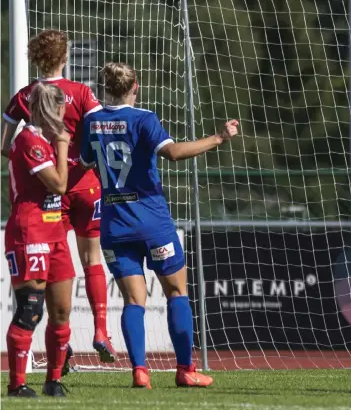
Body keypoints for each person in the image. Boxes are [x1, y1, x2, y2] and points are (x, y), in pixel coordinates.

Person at [80, 62, 239, 389]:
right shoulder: (144, 119)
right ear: (135, 86)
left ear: (104, 87)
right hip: (152, 222)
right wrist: (219, 138)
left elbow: (83, 162)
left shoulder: (92, 122)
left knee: (133, 301)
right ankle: (185, 370)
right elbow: (175, 153)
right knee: (177, 292)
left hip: (114, 225)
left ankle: (140, 371)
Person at [1, 30, 115, 363]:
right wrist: (85, 160)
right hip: (85, 184)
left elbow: (4, 144)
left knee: (54, 269)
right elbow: (99, 135)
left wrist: (35, 163)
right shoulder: (82, 92)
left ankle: (59, 347)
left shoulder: (25, 95)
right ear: (64, 57)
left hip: (50, 192)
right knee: (92, 257)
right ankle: (101, 330)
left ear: (35, 59)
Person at [5, 82, 75, 397]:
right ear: (52, 110)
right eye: (61, 110)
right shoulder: (29, 141)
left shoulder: (45, 139)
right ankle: (17, 384)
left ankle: (53, 380)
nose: (65, 117)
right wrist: (63, 146)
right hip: (29, 231)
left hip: (54, 230)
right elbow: (58, 185)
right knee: (30, 309)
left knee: (61, 311)